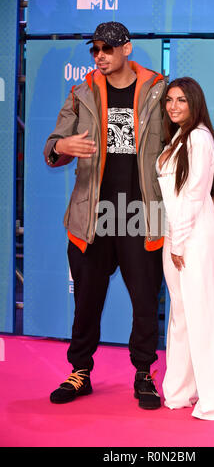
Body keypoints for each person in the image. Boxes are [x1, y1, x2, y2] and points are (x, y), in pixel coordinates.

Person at [44, 21, 166, 409]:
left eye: (107, 49)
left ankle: (144, 374)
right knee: (86, 301)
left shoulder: (158, 92)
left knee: (145, 301)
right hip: (92, 214)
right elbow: (53, 148)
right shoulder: (81, 92)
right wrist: (63, 144)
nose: (100, 56)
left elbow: (181, 141)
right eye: (94, 49)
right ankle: (80, 372)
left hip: (140, 213)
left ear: (126, 49)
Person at [156, 77, 214, 420]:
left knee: (202, 318)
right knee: (182, 316)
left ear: (195, 103)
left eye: (181, 100)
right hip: (177, 235)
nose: (174, 106)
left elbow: (194, 194)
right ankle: (179, 391)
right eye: (170, 100)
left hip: (194, 239)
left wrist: (181, 240)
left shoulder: (200, 138)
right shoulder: (178, 137)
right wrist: (174, 238)